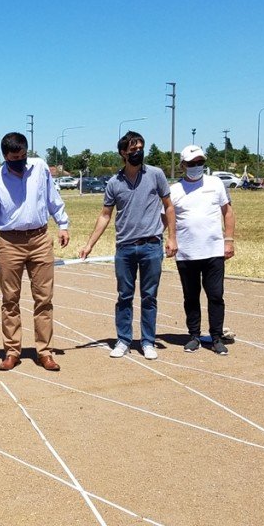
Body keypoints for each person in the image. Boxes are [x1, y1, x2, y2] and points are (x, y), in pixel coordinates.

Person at [78, 131, 177, 360]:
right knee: (124, 296)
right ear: (123, 153)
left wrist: (172, 238)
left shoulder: (156, 174)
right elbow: (105, 215)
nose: (138, 152)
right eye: (133, 150)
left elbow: (169, 207)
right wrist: (89, 245)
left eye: (140, 148)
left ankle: (148, 341)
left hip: (151, 245)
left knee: (149, 296)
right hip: (125, 248)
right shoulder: (114, 183)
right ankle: (123, 340)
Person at [0, 132, 69, 371]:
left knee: (44, 299)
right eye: (15, 157)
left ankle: (44, 352)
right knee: (10, 301)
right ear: (5, 156)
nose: (21, 160)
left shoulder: (39, 168)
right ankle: (12, 351)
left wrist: (63, 224)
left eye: (24, 155)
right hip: (9, 243)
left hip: (40, 239)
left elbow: (52, 198)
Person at [170, 146, 236, 355]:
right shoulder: (174, 190)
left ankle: (216, 337)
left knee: (215, 295)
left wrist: (229, 241)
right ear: (183, 166)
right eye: (191, 163)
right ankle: (194, 336)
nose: (197, 167)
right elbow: (167, 219)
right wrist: (166, 240)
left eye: (200, 162)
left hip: (213, 252)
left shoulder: (216, 184)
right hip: (186, 253)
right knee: (191, 297)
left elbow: (228, 213)